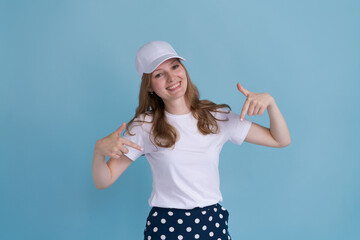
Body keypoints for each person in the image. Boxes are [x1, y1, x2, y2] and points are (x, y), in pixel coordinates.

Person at [92, 41, 291, 240]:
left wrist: (271, 104)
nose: (172, 77)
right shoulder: (145, 126)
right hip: (165, 227)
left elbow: (280, 140)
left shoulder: (216, 117)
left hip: (211, 224)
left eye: (175, 66)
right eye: (159, 74)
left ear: (183, 69)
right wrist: (99, 152)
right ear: (149, 87)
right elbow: (104, 180)